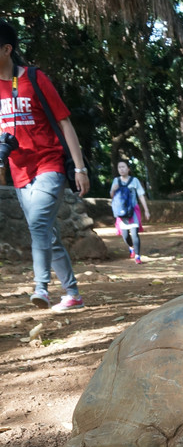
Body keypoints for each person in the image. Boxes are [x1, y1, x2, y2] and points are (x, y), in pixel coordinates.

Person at [0, 19, 89, 311]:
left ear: (6, 49)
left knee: (38, 224)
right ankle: (72, 293)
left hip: (49, 163)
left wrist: (79, 168)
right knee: (46, 234)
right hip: (19, 171)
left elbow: (64, 122)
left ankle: (41, 287)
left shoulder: (35, 79)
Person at [110, 159, 150, 263]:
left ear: (128, 169)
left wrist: (146, 210)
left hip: (133, 210)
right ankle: (131, 247)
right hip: (121, 211)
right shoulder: (116, 181)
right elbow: (112, 196)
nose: (121, 169)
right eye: (119, 167)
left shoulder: (135, 180)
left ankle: (137, 256)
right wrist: (113, 189)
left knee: (134, 233)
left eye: (123, 167)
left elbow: (141, 195)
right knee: (125, 235)